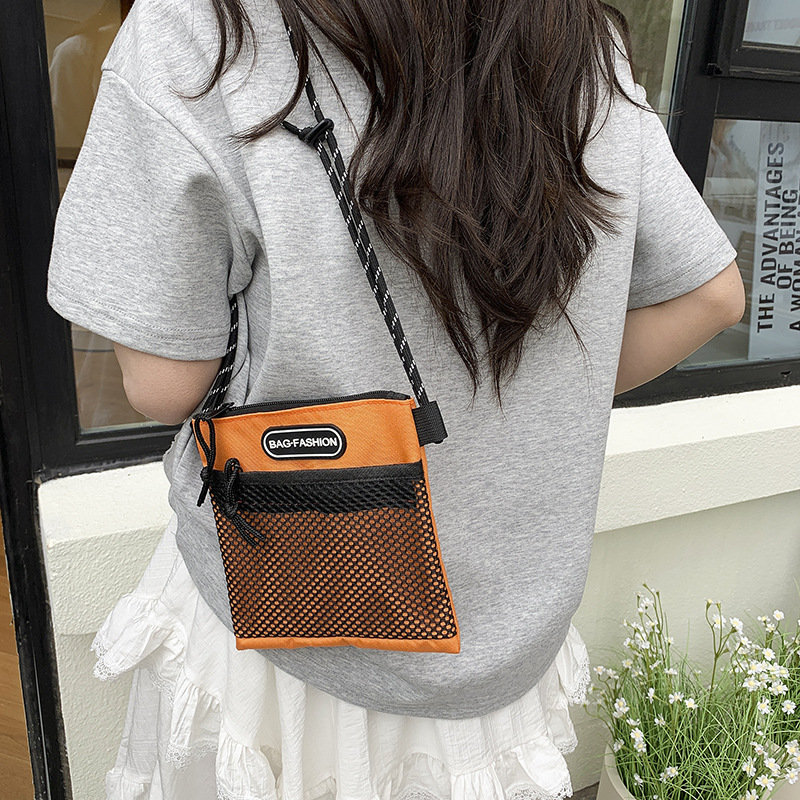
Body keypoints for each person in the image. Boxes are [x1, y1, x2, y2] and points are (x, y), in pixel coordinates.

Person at [47, 0, 745, 796]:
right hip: (506, 639)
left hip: (281, 627)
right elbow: (712, 296)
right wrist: (540, 391)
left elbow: (161, 384)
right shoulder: (582, 42)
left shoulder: (203, 28)